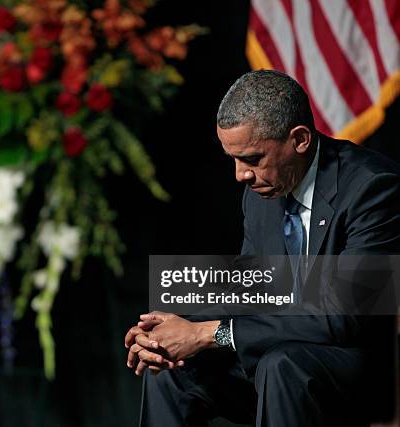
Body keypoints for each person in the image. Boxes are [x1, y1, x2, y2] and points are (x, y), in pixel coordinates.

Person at [125, 70, 400, 427]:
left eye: (253, 159)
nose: (241, 175)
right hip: (277, 359)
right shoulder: (261, 194)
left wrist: (206, 334)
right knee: (172, 368)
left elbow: (344, 315)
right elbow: (254, 287)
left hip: (355, 370)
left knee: (281, 364)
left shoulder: (373, 188)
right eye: (234, 159)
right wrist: (169, 330)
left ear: (299, 140)